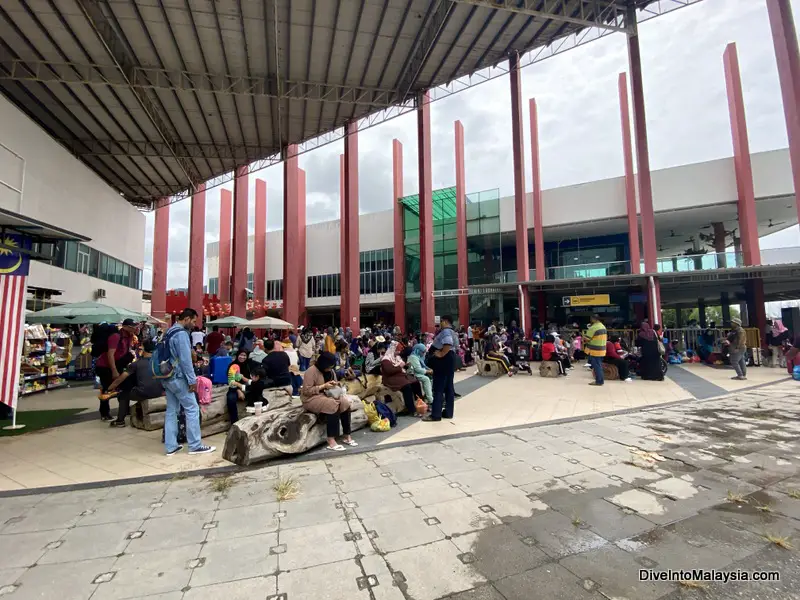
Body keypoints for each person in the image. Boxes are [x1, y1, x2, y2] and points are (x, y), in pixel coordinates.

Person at [161, 308, 215, 455]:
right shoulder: (181, 334)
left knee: (172, 411)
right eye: (193, 320)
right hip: (179, 378)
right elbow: (185, 360)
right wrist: (192, 381)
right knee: (192, 409)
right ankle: (195, 445)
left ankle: (170, 446)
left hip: (167, 377)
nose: (194, 324)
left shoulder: (169, 332)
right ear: (186, 319)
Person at [300, 352, 358, 451]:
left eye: (331, 367)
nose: (329, 369)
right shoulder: (311, 371)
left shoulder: (331, 371)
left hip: (327, 395)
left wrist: (335, 384)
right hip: (311, 398)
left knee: (345, 403)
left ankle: (347, 435)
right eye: (328, 367)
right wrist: (323, 386)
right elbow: (306, 391)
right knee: (332, 404)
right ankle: (331, 439)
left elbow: (335, 385)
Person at [104, 340, 164, 428]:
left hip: (144, 393)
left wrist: (109, 389)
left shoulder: (136, 364)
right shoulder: (159, 362)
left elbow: (120, 379)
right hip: (159, 392)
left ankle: (120, 421)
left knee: (123, 394)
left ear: (143, 349)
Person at [95, 319, 138, 421]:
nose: (135, 329)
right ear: (126, 326)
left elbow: (124, 351)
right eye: (133, 327)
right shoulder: (116, 336)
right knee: (107, 389)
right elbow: (110, 355)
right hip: (105, 366)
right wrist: (114, 370)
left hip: (118, 364)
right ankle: (104, 413)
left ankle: (124, 409)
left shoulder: (129, 336)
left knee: (125, 386)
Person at [424, 315, 457, 422]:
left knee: (438, 387)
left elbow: (448, 343)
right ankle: (448, 412)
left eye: (441, 321)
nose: (440, 323)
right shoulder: (453, 332)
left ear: (446, 321)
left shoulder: (446, 331)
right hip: (450, 360)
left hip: (443, 361)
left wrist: (442, 354)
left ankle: (436, 414)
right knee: (448, 387)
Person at [380, 341, 422, 415]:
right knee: (407, 386)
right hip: (391, 379)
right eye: (397, 350)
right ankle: (411, 410)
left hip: (399, 376)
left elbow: (401, 366)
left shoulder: (397, 357)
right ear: (393, 349)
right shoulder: (385, 359)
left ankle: (420, 404)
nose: (399, 352)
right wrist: (400, 366)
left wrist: (405, 365)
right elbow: (389, 371)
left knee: (416, 383)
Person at [226, 350, 252, 423]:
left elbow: (248, 380)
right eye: (241, 355)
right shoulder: (232, 365)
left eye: (244, 355)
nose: (242, 357)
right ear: (237, 355)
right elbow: (231, 381)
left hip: (247, 386)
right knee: (231, 399)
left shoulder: (248, 365)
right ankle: (234, 422)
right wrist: (239, 390)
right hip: (234, 387)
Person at [584, 314, 607, 386]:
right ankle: (600, 380)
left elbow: (587, 339)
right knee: (599, 365)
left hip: (595, 350)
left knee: (597, 366)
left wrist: (584, 337)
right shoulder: (603, 326)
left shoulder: (593, 327)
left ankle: (599, 381)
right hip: (602, 349)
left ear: (593, 319)